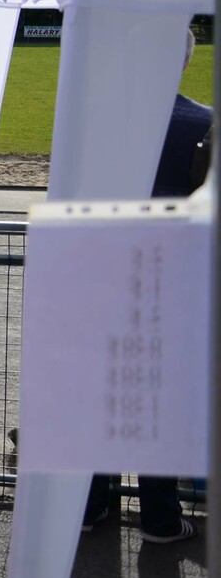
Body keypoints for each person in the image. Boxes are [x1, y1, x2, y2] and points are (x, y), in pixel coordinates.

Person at [81, 28, 210, 545]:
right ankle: (158, 515)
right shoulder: (205, 122)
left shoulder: (100, 119)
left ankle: (91, 504)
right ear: (183, 62)